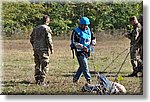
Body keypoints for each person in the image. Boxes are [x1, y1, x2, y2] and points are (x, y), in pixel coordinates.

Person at [70, 17, 96, 84]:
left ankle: (75, 79)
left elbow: (93, 38)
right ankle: (89, 79)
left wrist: (93, 42)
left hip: (87, 51)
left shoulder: (89, 30)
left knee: (82, 66)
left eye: (87, 25)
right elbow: (74, 42)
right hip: (79, 51)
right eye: (84, 25)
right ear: (81, 25)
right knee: (85, 65)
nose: (86, 27)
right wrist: (82, 47)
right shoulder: (76, 31)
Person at [30, 15, 54, 85]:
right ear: (47, 21)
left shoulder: (36, 28)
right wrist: (51, 48)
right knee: (45, 64)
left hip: (36, 49)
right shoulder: (46, 28)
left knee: (37, 64)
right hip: (43, 49)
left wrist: (34, 46)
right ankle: (42, 81)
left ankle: (37, 79)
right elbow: (49, 39)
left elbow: (31, 39)